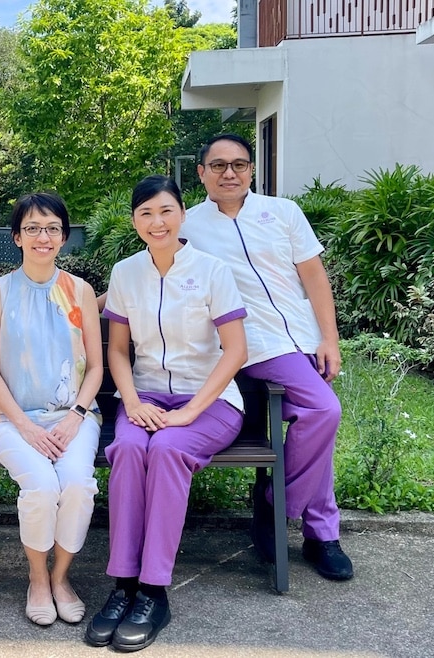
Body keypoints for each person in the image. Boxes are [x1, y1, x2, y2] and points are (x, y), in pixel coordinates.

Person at [180, 132, 354, 582]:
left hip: (301, 338)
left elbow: (314, 277)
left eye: (239, 163)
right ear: (202, 173)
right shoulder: (187, 225)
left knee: (320, 429)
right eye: (218, 165)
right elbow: (147, 274)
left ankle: (316, 530)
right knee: (323, 409)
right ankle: (286, 513)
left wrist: (329, 338)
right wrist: (83, 303)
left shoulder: (282, 213)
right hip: (253, 345)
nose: (229, 172)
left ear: (252, 170)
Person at [85, 175, 248, 652]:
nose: (157, 222)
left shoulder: (213, 271)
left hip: (211, 403)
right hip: (147, 399)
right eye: (146, 214)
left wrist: (189, 412)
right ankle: (123, 587)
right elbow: (117, 351)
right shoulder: (125, 273)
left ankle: (154, 593)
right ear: (135, 221)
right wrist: (132, 402)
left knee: (169, 449)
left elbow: (234, 352)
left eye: (166, 211)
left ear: (182, 214)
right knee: (131, 450)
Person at [0, 192, 104, 627]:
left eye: (52, 228)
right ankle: (36, 579)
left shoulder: (81, 292)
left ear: (64, 237)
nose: (42, 236)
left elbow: (96, 368)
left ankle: (60, 577)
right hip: (9, 419)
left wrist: (76, 416)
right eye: (32, 228)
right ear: (16, 237)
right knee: (40, 486)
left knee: (76, 485)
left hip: (73, 418)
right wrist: (25, 427)